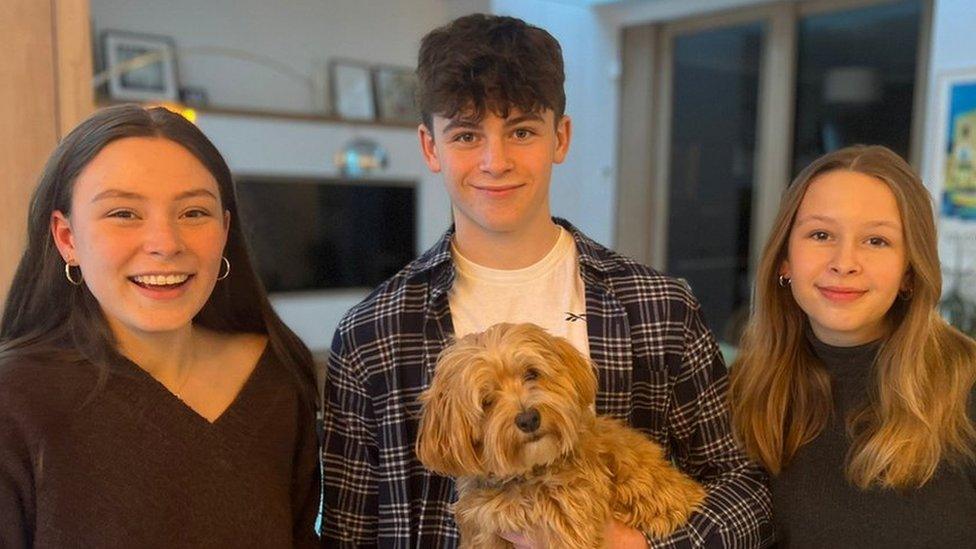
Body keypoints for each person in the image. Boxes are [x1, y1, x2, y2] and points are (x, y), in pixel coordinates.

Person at [321, 13, 772, 548]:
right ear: (430, 146)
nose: (496, 161)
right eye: (466, 134)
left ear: (560, 137)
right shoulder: (372, 334)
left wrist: (642, 548)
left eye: (521, 131)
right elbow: (348, 534)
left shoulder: (659, 306)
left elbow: (747, 491)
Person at [0, 105, 321, 547]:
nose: (166, 245)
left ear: (225, 230)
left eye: (193, 213)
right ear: (67, 237)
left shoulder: (277, 375)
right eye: (123, 214)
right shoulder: (15, 399)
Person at [730, 145, 976, 547]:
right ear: (784, 261)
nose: (844, 262)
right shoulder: (743, 391)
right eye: (821, 234)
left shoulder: (967, 386)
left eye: (876, 241)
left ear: (910, 271)